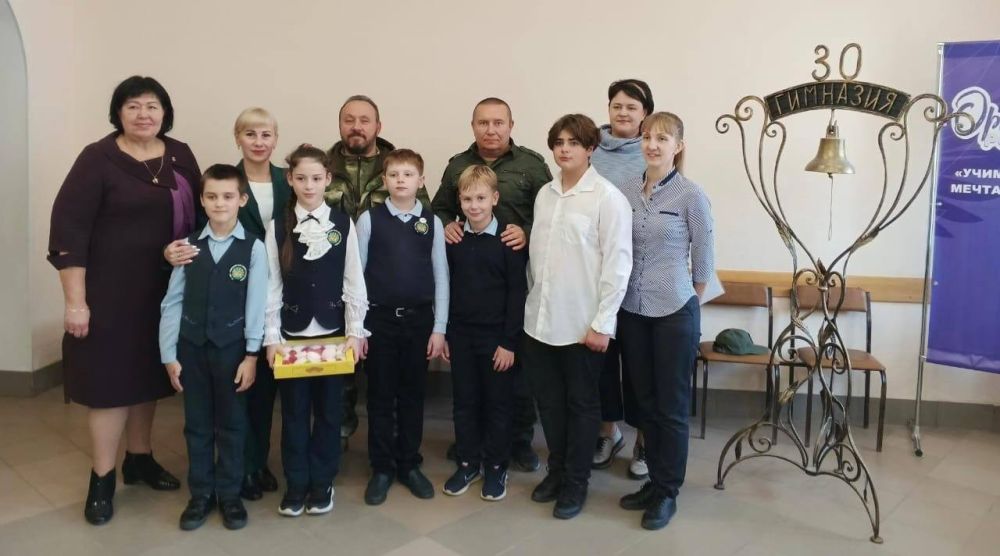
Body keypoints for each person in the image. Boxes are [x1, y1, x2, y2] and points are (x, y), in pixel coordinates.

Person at [48, 75, 199, 525]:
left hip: (163, 291)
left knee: (148, 377)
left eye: (152, 106)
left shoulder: (180, 154)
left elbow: (202, 215)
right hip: (108, 294)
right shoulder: (97, 158)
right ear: (118, 112)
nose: (143, 114)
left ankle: (140, 459)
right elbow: (69, 232)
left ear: (165, 113)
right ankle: (102, 478)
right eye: (133, 106)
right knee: (110, 387)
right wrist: (76, 303)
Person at [432, 97, 552, 472]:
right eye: (483, 123)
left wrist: (527, 232)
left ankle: (519, 441)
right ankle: (473, 442)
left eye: (498, 122)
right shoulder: (458, 166)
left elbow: (551, 212)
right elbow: (439, 208)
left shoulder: (532, 165)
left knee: (515, 371)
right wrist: (447, 225)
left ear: (511, 126)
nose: (491, 129)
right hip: (471, 271)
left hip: (518, 275)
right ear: (473, 126)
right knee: (472, 379)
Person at [522, 114, 633, 520]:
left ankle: (576, 482)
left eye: (573, 142)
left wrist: (603, 323)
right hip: (540, 321)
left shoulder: (607, 198)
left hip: (583, 325)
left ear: (591, 148)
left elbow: (618, 265)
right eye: (559, 142)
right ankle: (557, 471)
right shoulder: (545, 194)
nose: (564, 149)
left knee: (582, 406)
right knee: (549, 405)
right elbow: (537, 259)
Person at [617, 112, 714, 530]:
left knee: (671, 407)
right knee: (644, 403)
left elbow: (704, 262)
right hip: (632, 312)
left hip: (674, 312)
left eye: (662, 138)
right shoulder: (625, 191)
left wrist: (689, 304)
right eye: (646, 137)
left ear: (678, 146)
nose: (652, 145)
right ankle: (653, 481)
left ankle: (667, 491)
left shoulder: (691, 195)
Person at [159, 164, 267, 531]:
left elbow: (256, 305)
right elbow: (172, 302)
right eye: (212, 196)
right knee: (197, 425)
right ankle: (201, 494)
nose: (220, 203)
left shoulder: (253, 248)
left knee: (233, 425)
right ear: (202, 201)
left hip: (233, 352)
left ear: (242, 200)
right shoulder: (188, 247)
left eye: (227, 196)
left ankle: (230, 495)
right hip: (192, 350)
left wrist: (251, 355)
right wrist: (169, 355)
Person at [262, 144, 368, 517]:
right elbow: (272, 284)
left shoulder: (343, 223)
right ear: (290, 180)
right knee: (293, 414)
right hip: (291, 337)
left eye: (316, 178)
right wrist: (272, 336)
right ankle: (296, 484)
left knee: (328, 413)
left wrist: (355, 330)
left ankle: (322, 482)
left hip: (333, 335)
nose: (309, 185)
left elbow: (353, 277)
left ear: (328, 179)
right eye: (301, 178)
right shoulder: (277, 226)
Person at [325, 95, 431, 450]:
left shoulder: (397, 167)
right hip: (331, 281)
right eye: (349, 119)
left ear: (378, 126)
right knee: (339, 367)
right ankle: (338, 435)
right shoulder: (323, 166)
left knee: (385, 376)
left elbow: (421, 225)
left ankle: (395, 445)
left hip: (381, 290)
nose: (356, 126)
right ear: (340, 124)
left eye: (364, 120)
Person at [357, 149, 448, 505]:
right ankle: (381, 467)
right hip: (379, 322)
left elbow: (441, 275)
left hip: (419, 322)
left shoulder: (432, 222)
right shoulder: (369, 220)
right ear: (384, 180)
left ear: (421, 181)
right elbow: (357, 277)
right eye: (394, 174)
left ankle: (409, 463)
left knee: (412, 396)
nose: (400, 180)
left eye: (408, 174)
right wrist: (358, 327)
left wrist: (439, 327)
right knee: (380, 396)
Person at [441, 165, 527, 501]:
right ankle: (467, 462)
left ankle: (496, 466)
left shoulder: (508, 240)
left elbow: (517, 293)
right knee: (464, 402)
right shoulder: (454, 240)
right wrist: (447, 333)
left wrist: (509, 342)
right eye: (467, 199)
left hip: (497, 340)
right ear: (459, 201)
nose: (474, 205)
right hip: (462, 336)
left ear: (495, 198)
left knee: (497, 405)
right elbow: (446, 287)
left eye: (480, 198)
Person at [589, 79, 655, 477]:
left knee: (640, 364)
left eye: (632, 106)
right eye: (617, 105)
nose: (623, 112)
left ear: (645, 112)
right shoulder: (591, 147)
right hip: (595, 272)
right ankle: (607, 432)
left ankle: (644, 441)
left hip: (640, 274)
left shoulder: (652, 148)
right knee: (601, 359)